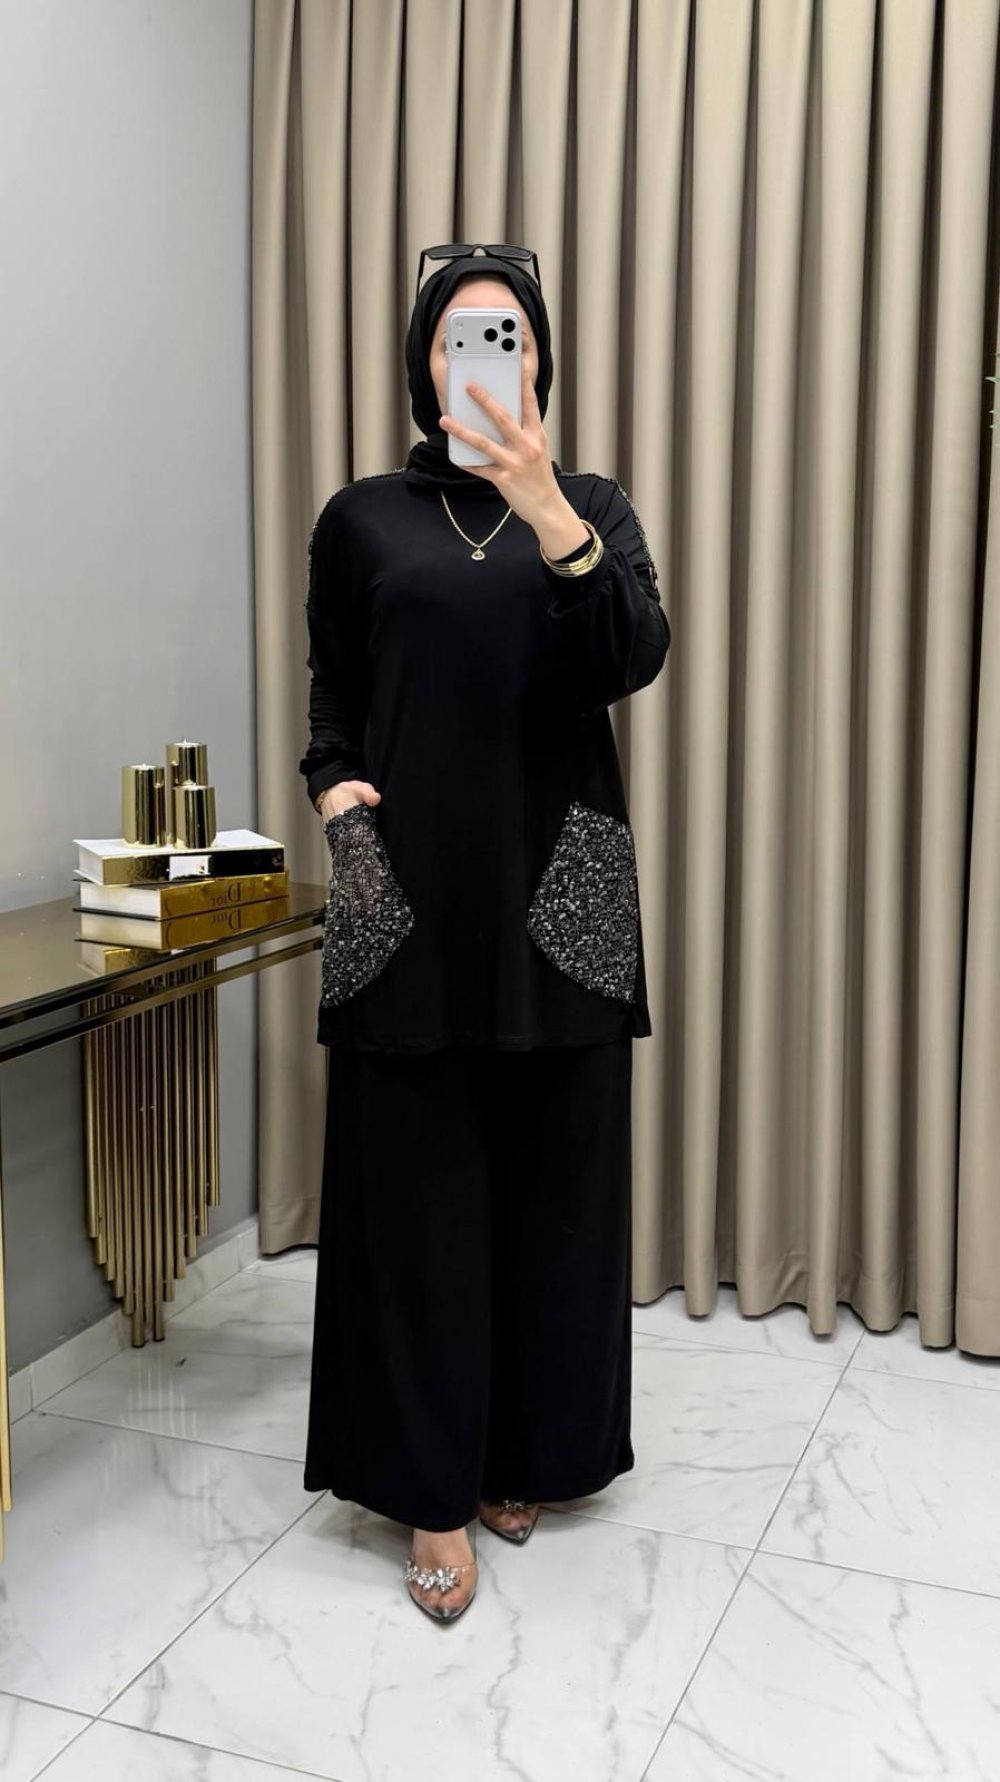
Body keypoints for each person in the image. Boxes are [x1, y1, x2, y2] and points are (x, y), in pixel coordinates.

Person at [298, 245, 670, 1621]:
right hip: (403, 887)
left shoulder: (594, 507)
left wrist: (548, 509)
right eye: (461, 334)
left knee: (554, 1191)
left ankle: (528, 1449)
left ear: (540, 360)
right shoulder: (362, 519)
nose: (484, 354)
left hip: (565, 887)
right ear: (424, 362)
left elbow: (630, 654)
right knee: (414, 1200)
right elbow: (336, 689)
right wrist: (334, 789)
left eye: (508, 333)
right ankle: (431, 1489)